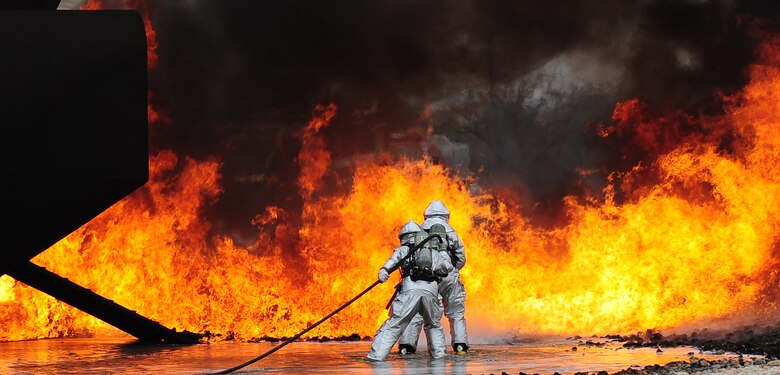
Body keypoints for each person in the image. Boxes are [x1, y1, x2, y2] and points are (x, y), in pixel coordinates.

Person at [365, 220, 453, 361]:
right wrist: (443, 250)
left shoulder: (404, 250)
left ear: (404, 237)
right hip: (431, 292)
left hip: (410, 291)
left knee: (395, 324)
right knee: (433, 325)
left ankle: (376, 356)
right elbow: (446, 268)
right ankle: (439, 357)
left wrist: (384, 271)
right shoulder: (433, 252)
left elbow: (392, 262)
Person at [398, 200, 469, 354]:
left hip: (426, 276)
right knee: (456, 311)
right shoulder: (451, 232)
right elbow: (461, 257)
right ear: (446, 215)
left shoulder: (418, 231)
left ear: (426, 215)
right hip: (448, 275)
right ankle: (460, 345)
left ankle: (406, 346)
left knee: (417, 311)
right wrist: (451, 270)